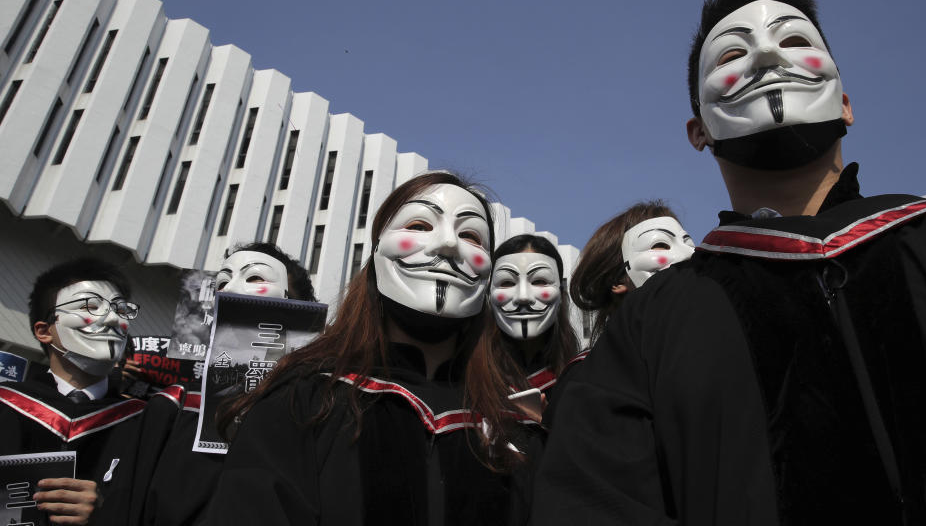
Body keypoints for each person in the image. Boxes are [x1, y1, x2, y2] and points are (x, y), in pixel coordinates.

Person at [531, 0, 926, 525]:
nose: (765, 57)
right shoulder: (646, 328)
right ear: (698, 130)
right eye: (733, 53)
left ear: (847, 104)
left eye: (795, 42)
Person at [207, 172, 530, 525]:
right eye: (420, 225)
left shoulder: (508, 423)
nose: (448, 243)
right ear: (376, 250)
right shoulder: (304, 399)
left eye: (470, 235)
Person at [142, 241, 317, 526]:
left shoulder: (319, 411)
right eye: (221, 282)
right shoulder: (173, 409)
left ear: (300, 308)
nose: (230, 290)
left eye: (256, 278)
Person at [0, 258, 181, 525]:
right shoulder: (7, 406)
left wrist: (108, 515)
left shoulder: (147, 425)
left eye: (120, 309)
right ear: (44, 331)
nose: (112, 318)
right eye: (90, 306)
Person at [570, 201, 693, 347]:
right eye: (660, 244)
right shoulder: (593, 368)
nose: (689, 253)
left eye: (689, 243)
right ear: (616, 280)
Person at [489, 234, 579, 399]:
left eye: (539, 281)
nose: (523, 297)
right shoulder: (465, 375)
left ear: (560, 294)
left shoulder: (584, 376)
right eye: (507, 282)